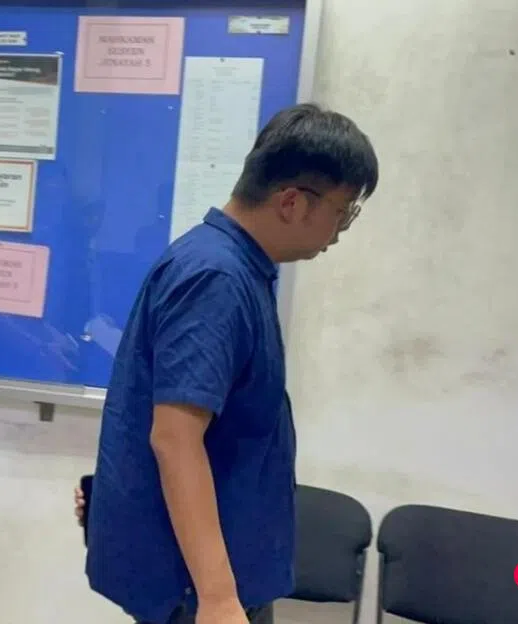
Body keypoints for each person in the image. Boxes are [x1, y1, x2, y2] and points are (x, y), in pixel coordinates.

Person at [84, 103, 379, 624]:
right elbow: (175, 438)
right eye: (343, 211)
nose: (342, 229)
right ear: (292, 202)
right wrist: (219, 597)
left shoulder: (232, 264)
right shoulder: (216, 278)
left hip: (213, 573)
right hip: (200, 589)